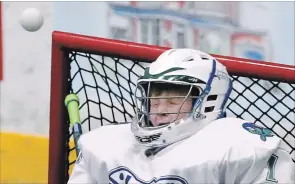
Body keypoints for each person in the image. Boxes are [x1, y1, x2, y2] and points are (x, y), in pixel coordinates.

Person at [68, 49, 294, 184]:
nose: (160, 109)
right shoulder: (103, 146)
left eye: (175, 100)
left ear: (207, 100)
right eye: (154, 99)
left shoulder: (243, 149)